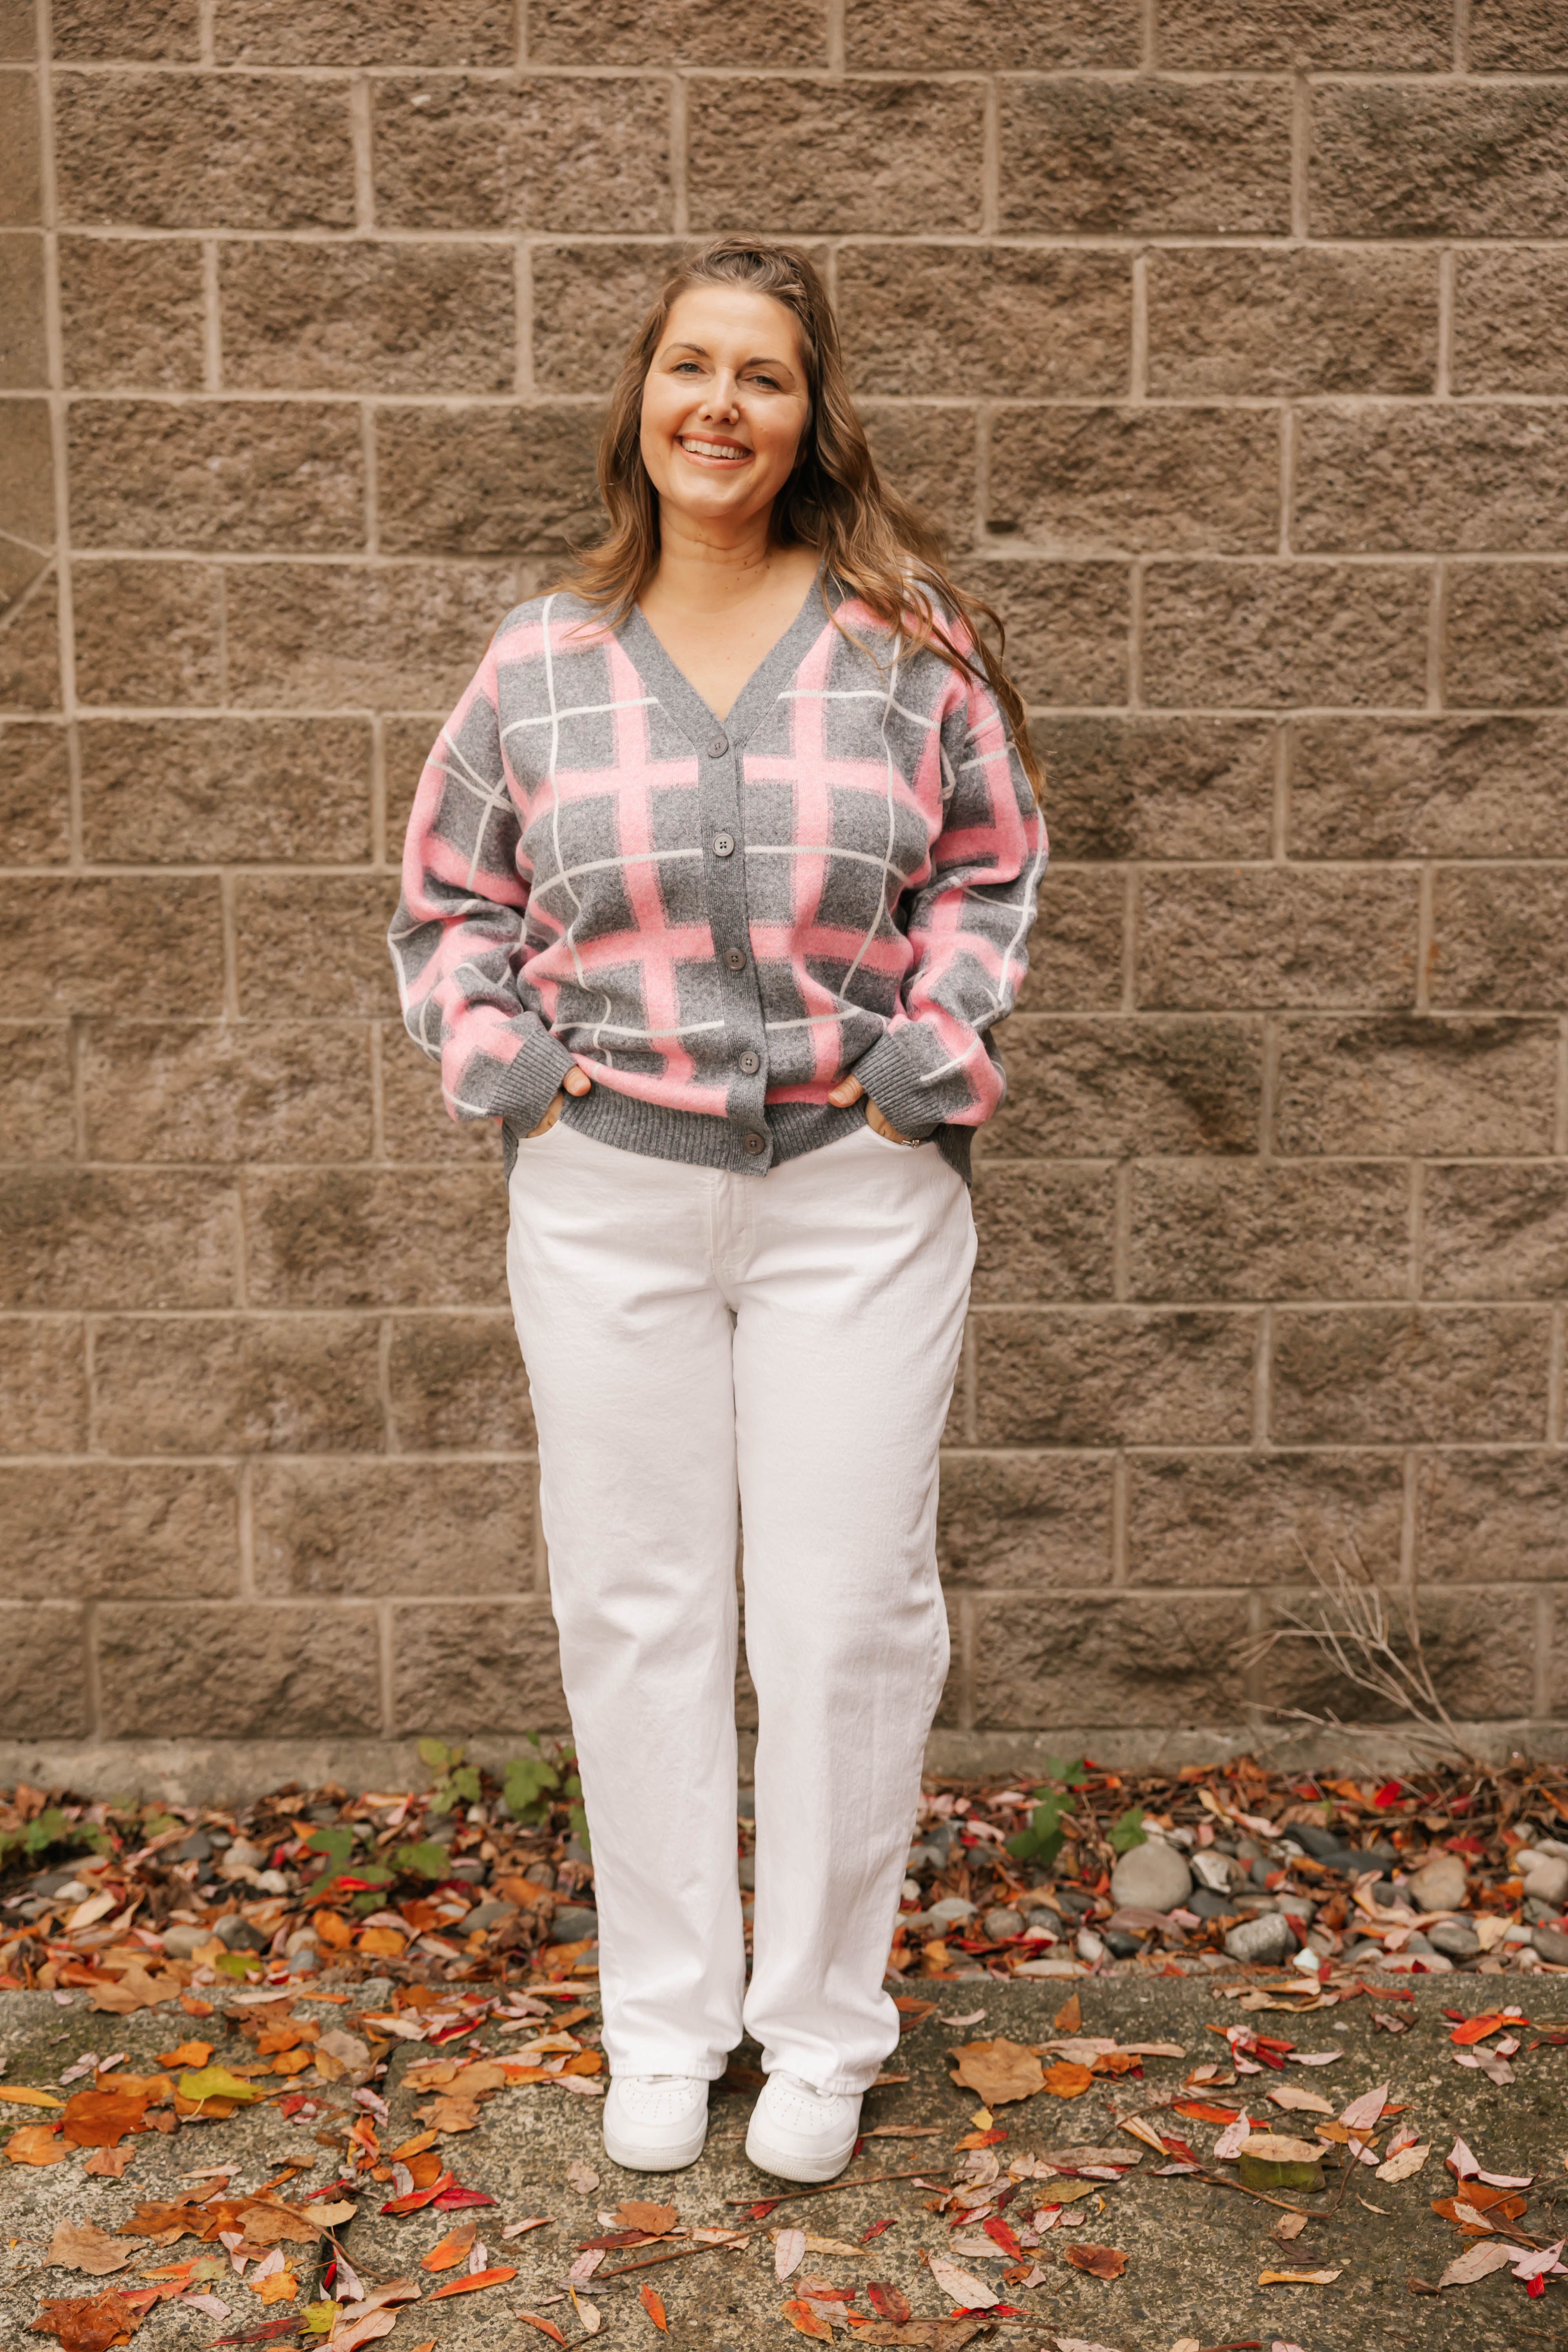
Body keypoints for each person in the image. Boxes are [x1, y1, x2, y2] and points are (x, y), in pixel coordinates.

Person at [388, 238, 1046, 2186]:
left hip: (858, 1202)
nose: (720, 407)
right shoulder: (540, 659)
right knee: (638, 1613)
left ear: (807, 417)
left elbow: (990, 877)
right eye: (690, 367)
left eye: (761, 376)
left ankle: (825, 2028)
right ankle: (665, 2022)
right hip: (607, 1202)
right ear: (640, 399)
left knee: (847, 1621)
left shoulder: (907, 645)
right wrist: (509, 1069)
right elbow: (449, 903)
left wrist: (923, 1065)